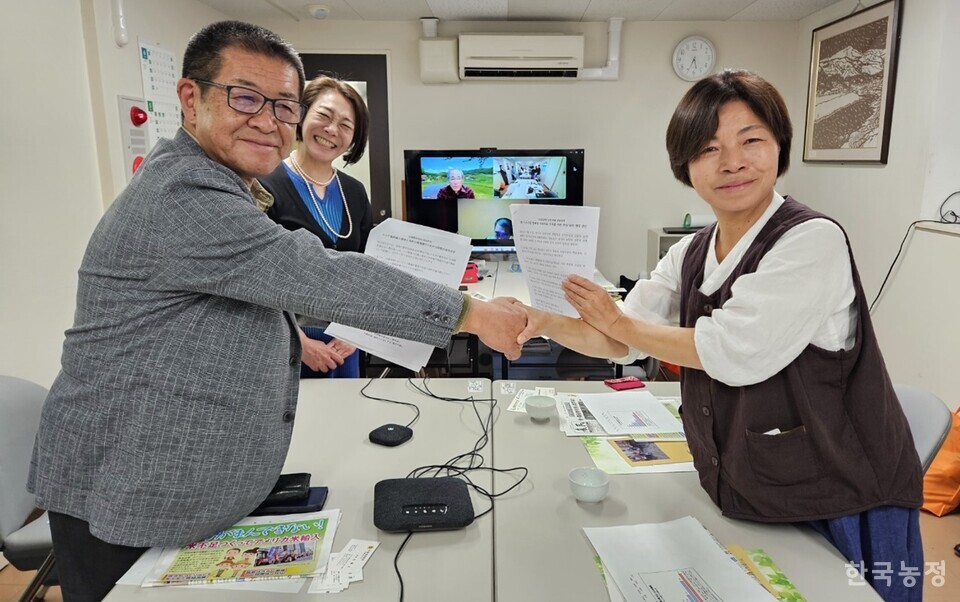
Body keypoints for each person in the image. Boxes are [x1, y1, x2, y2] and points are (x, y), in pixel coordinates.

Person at [27, 20, 525, 601]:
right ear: (191, 98)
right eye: (245, 97)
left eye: (285, 105)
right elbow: (320, 275)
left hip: (183, 475)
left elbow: (269, 290)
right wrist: (474, 314)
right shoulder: (186, 194)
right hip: (128, 488)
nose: (269, 119)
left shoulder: (233, 184)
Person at [515, 70, 923, 602]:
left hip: (840, 492)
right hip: (750, 485)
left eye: (750, 140)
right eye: (708, 149)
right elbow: (625, 341)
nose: (732, 162)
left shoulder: (812, 240)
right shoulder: (692, 250)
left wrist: (617, 323)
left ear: (780, 145)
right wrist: (542, 321)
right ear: (685, 167)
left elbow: (730, 351)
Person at [261, 76, 373, 379]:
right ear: (301, 115)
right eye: (324, 116)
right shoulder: (264, 184)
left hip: (346, 341)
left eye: (346, 125)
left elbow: (368, 270)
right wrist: (300, 344)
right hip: (285, 344)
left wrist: (355, 333)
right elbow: (256, 279)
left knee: (345, 420)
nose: (332, 130)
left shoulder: (355, 192)